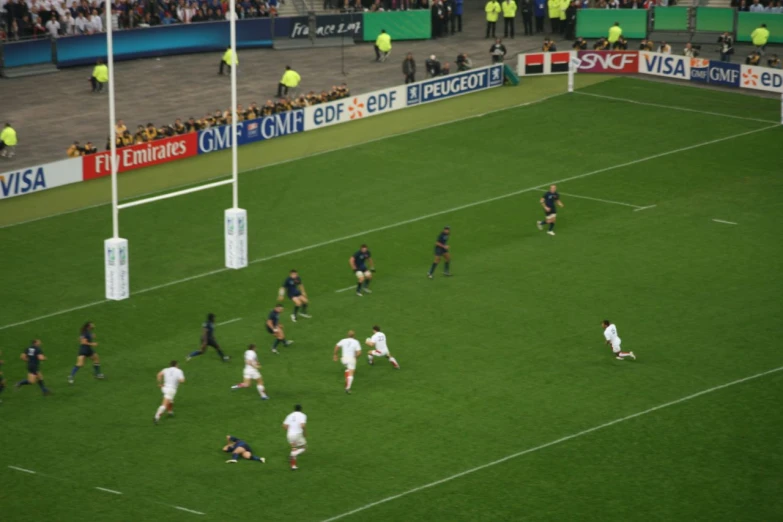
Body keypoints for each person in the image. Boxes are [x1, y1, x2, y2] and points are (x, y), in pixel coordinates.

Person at [283, 404, 307, 470]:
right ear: (301, 410)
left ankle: (293, 466)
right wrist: (305, 432)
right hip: (298, 435)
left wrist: (290, 430)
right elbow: (303, 426)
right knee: (303, 448)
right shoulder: (302, 415)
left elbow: (284, 426)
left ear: (294, 409)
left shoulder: (289, 415)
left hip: (289, 435)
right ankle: (293, 454)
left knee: (294, 448)